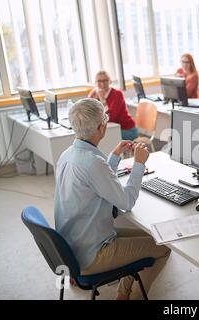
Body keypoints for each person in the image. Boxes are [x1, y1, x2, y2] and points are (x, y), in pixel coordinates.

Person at [54, 98, 170, 300]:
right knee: (163, 246)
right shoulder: (92, 162)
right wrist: (139, 164)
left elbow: (96, 180)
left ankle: (123, 294)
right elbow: (126, 202)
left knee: (153, 236)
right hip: (92, 254)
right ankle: (129, 296)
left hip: (73, 247)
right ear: (102, 127)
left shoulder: (67, 155)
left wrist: (115, 155)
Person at [88, 70, 139, 141]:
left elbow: (110, 118)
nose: (102, 84)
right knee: (91, 135)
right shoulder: (94, 93)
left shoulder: (117, 94)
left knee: (101, 138)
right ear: (95, 83)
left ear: (110, 81)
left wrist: (103, 100)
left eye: (105, 80)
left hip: (127, 130)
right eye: (99, 81)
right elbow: (88, 111)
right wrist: (91, 96)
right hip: (110, 128)